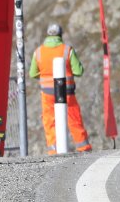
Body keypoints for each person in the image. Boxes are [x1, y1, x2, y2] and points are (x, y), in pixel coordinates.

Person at [28, 22, 93, 154]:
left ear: (48, 35)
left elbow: (32, 73)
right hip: (67, 92)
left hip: (47, 93)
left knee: (49, 120)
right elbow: (79, 71)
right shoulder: (67, 50)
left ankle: (53, 149)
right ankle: (83, 147)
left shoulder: (38, 52)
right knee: (74, 118)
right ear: (60, 35)